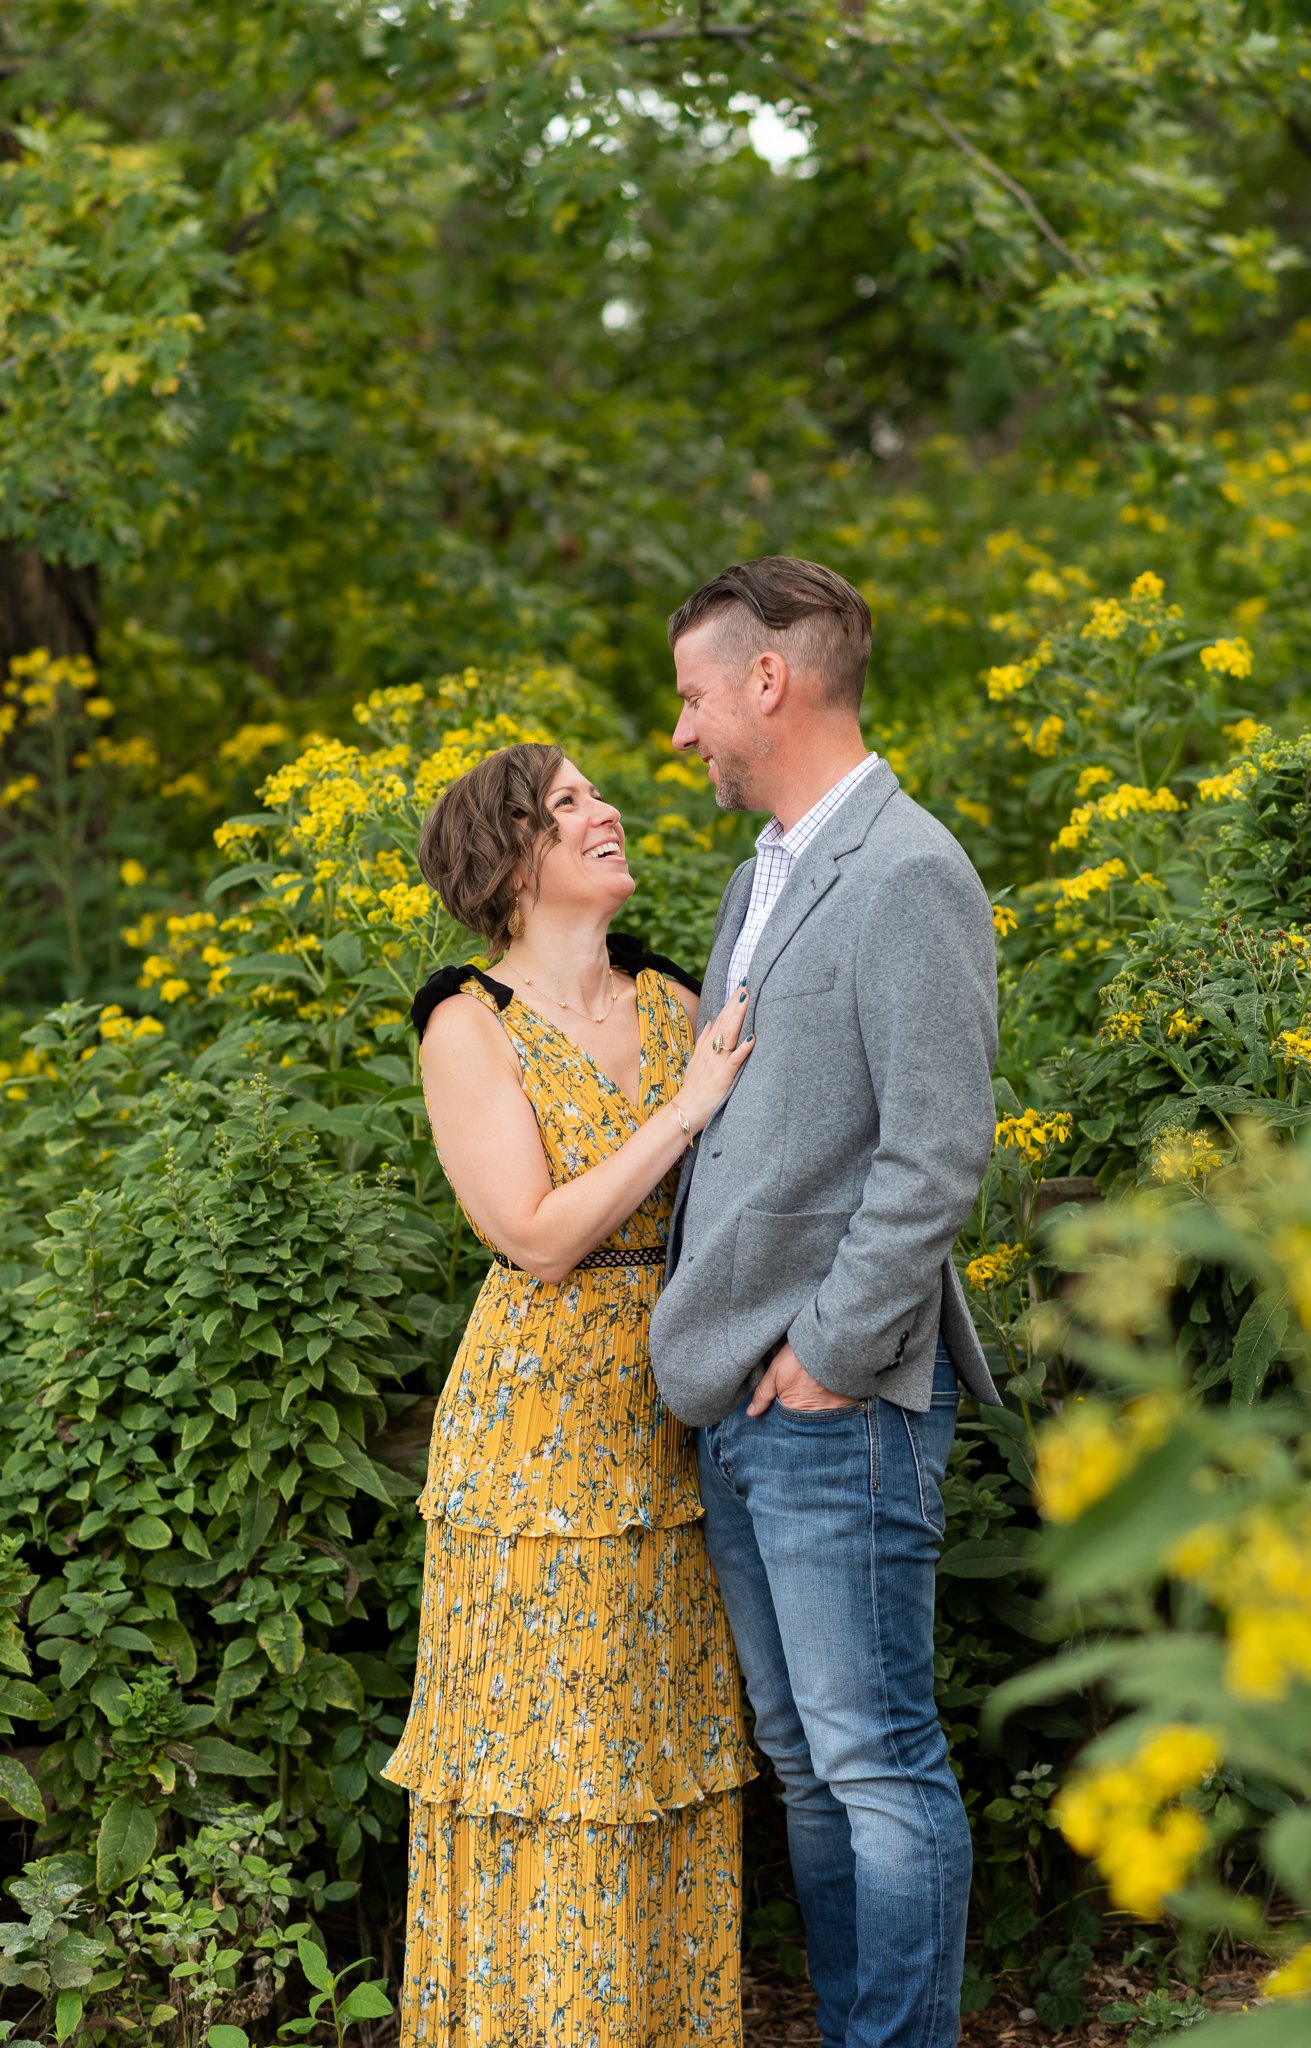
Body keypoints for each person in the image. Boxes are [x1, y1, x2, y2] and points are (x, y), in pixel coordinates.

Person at [649, 557, 1002, 2048]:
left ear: (769, 683)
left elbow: (937, 1154)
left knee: (878, 1763)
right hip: (738, 1401)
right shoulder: (759, 877)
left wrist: (830, 1359)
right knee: (807, 1766)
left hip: (834, 1406)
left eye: (692, 697)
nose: (682, 736)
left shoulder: (911, 871)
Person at [383, 742, 756, 2047]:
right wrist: (690, 1107)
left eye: (601, 794)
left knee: (659, 1757)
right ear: (511, 859)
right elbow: (533, 1235)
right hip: (540, 1440)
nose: (607, 813)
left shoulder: (676, 997)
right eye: (570, 804)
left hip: (680, 1408)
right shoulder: (464, 1020)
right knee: (555, 1767)